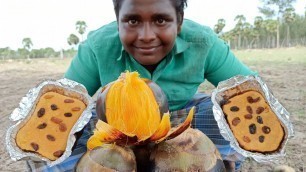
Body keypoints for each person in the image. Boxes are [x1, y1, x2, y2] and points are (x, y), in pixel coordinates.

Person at [27, 0, 256, 171]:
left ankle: (212, 162)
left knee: (224, 113)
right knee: (58, 137)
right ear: (118, 22)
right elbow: (65, 102)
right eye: (133, 21)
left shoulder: (204, 43)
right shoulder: (97, 46)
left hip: (178, 125)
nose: (146, 36)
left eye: (160, 20)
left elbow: (250, 92)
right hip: (115, 131)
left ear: (179, 22)